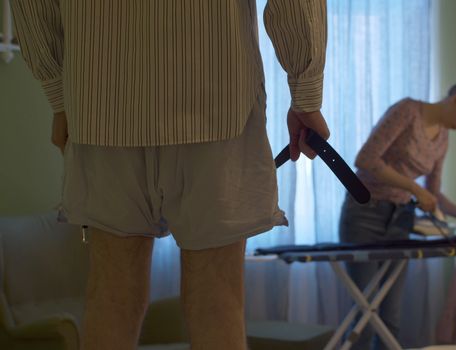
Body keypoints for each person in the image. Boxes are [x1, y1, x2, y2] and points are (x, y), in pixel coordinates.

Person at [11, 0, 329, 349]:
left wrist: (58, 95)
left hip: (100, 96)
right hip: (217, 95)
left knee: (112, 292)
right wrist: (306, 94)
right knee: (217, 291)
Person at [338, 77, 456, 349]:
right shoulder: (407, 111)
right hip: (365, 212)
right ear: (455, 99)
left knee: (390, 315)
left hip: (400, 220)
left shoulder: (442, 139)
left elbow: (432, 195)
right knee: (364, 311)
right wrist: (412, 187)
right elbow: (365, 159)